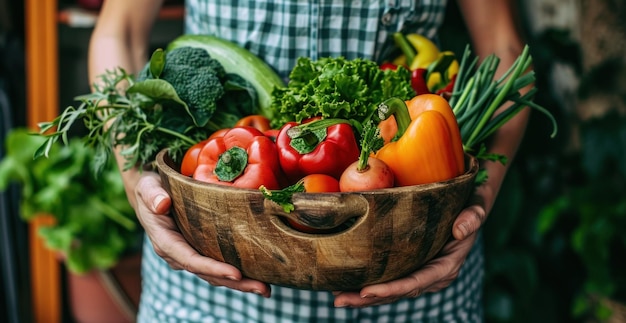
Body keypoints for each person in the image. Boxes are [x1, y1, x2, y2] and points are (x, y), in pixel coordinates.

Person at [88, 0, 529, 321]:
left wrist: (479, 195)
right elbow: (119, 33)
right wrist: (136, 180)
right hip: (211, 292)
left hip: (414, 280)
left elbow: (504, 48)